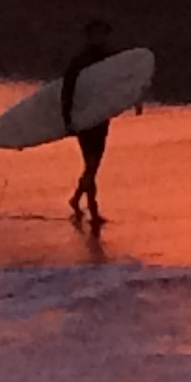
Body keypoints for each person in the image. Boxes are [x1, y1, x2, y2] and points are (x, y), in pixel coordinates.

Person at [59, 16, 118, 229]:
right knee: (91, 163)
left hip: (101, 117)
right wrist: (68, 120)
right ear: (88, 37)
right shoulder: (79, 61)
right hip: (84, 118)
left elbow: (123, 82)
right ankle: (93, 208)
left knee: (94, 164)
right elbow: (67, 91)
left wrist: (134, 99)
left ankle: (76, 198)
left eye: (103, 34)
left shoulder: (111, 59)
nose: (100, 38)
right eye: (96, 34)